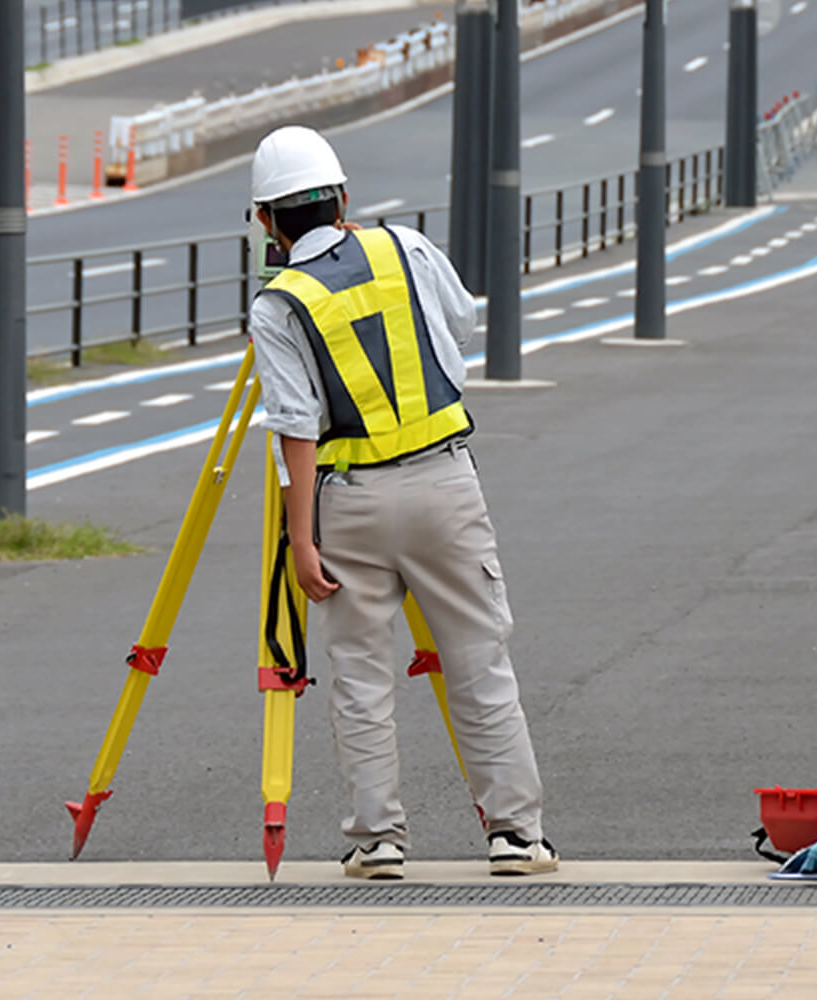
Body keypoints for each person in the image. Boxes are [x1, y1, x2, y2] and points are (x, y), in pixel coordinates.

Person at [245, 124, 557, 880]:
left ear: (265, 222)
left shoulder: (279, 305)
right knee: (480, 662)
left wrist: (302, 543)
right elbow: (457, 327)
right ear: (344, 198)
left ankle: (377, 839)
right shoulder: (406, 248)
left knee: (359, 675)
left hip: (347, 501)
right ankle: (515, 835)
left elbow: (294, 427)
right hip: (445, 481)